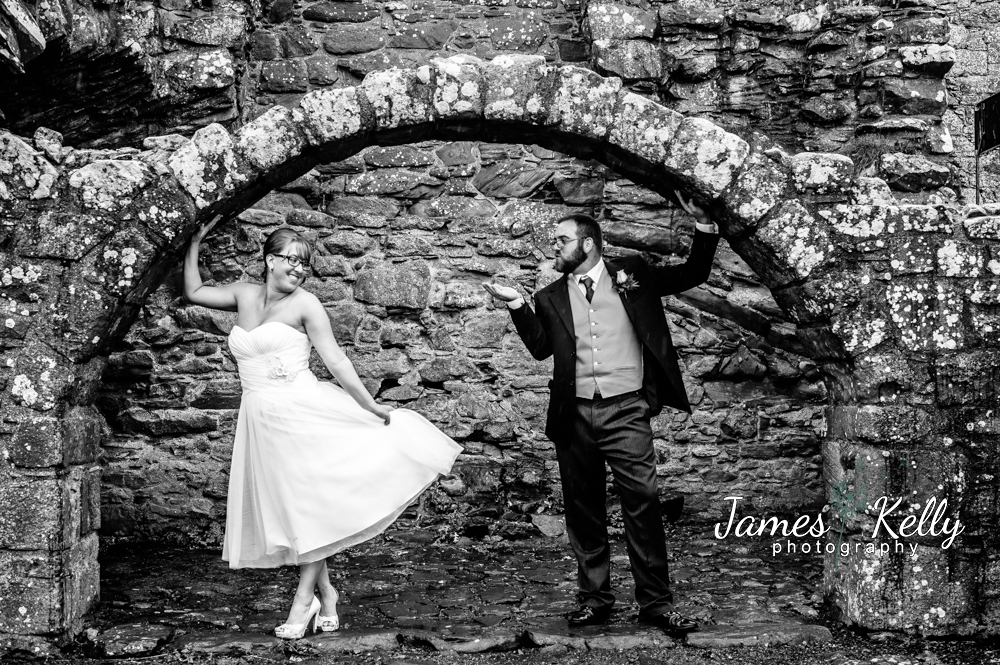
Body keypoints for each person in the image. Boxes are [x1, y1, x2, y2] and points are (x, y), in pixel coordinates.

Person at [184, 217, 462, 640]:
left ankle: (303, 602)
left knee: (309, 506)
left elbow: (336, 360)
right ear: (270, 259)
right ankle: (327, 594)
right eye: (292, 260)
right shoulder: (243, 293)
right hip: (260, 418)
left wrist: (370, 405)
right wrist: (194, 242)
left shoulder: (307, 304)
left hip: (302, 412)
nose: (299, 269)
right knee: (298, 508)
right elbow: (194, 291)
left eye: (305, 264)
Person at [482, 193, 719, 634]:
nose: (554, 247)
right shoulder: (550, 295)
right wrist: (516, 303)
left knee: (643, 502)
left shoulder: (633, 275)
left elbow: (693, 273)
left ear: (587, 244)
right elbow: (540, 349)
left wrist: (705, 224)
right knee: (582, 509)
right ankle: (595, 599)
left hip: (626, 409)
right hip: (573, 414)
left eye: (561, 240)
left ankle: (656, 604)